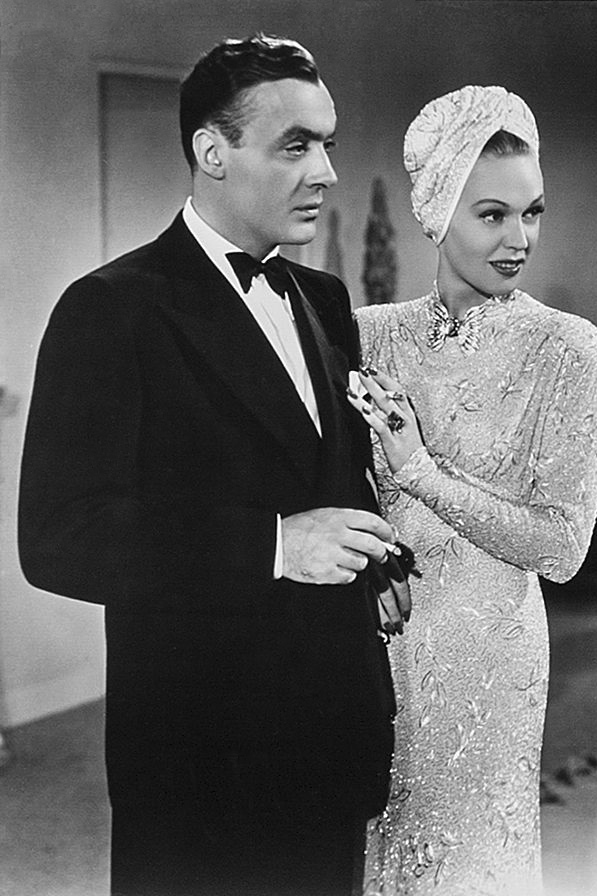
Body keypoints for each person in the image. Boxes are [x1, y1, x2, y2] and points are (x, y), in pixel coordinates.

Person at [18, 34, 409, 896]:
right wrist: (274, 545)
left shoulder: (324, 299)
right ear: (212, 151)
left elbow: (324, 473)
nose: (325, 173)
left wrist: (370, 558)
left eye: (328, 144)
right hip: (200, 763)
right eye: (295, 146)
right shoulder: (109, 308)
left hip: (328, 736)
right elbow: (58, 538)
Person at [346, 85, 597, 894]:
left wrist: (422, 471)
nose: (518, 239)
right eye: (492, 215)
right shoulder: (365, 335)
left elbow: (563, 548)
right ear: (436, 213)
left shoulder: (566, 348)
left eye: (532, 213)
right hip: (377, 646)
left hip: (492, 656)